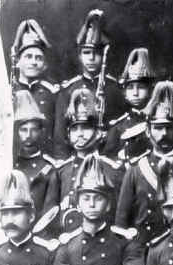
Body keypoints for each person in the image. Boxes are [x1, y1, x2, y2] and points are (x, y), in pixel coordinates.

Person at [116, 81, 173, 245]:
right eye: (158, 128)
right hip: (144, 249)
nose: (164, 133)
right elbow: (122, 224)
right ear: (148, 130)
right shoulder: (136, 171)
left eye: (170, 127)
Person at [54, 9, 124, 158]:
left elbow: (120, 129)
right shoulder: (68, 91)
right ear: (79, 56)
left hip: (108, 158)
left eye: (96, 53)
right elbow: (60, 138)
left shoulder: (114, 89)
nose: (91, 58)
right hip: (77, 159)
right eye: (86, 53)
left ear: (103, 56)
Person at [58, 88, 125, 233]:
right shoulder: (61, 171)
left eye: (86, 128)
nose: (80, 134)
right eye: (74, 130)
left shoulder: (112, 170)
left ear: (99, 132)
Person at [12, 89, 60, 236]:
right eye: (23, 130)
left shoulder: (48, 168)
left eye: (33, 130)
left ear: (41, 132)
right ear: (16, 132)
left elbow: (48, 214)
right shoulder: (9, 165)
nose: (28, 135)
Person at [10, 19, 59, 149]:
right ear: (17, 61)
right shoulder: (8, 91)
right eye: (28, 57)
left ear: (44, 65)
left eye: (38, 58)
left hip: (44, 155)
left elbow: (58, 134)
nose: (33, 62)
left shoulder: (53, 92)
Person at [103, 47, 156, 166]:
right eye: (130, 88)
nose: (135, 93)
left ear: (150, 90)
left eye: (141, 87)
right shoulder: (118, 127)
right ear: (124, 93)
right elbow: (109, 161)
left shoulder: (159, 120)